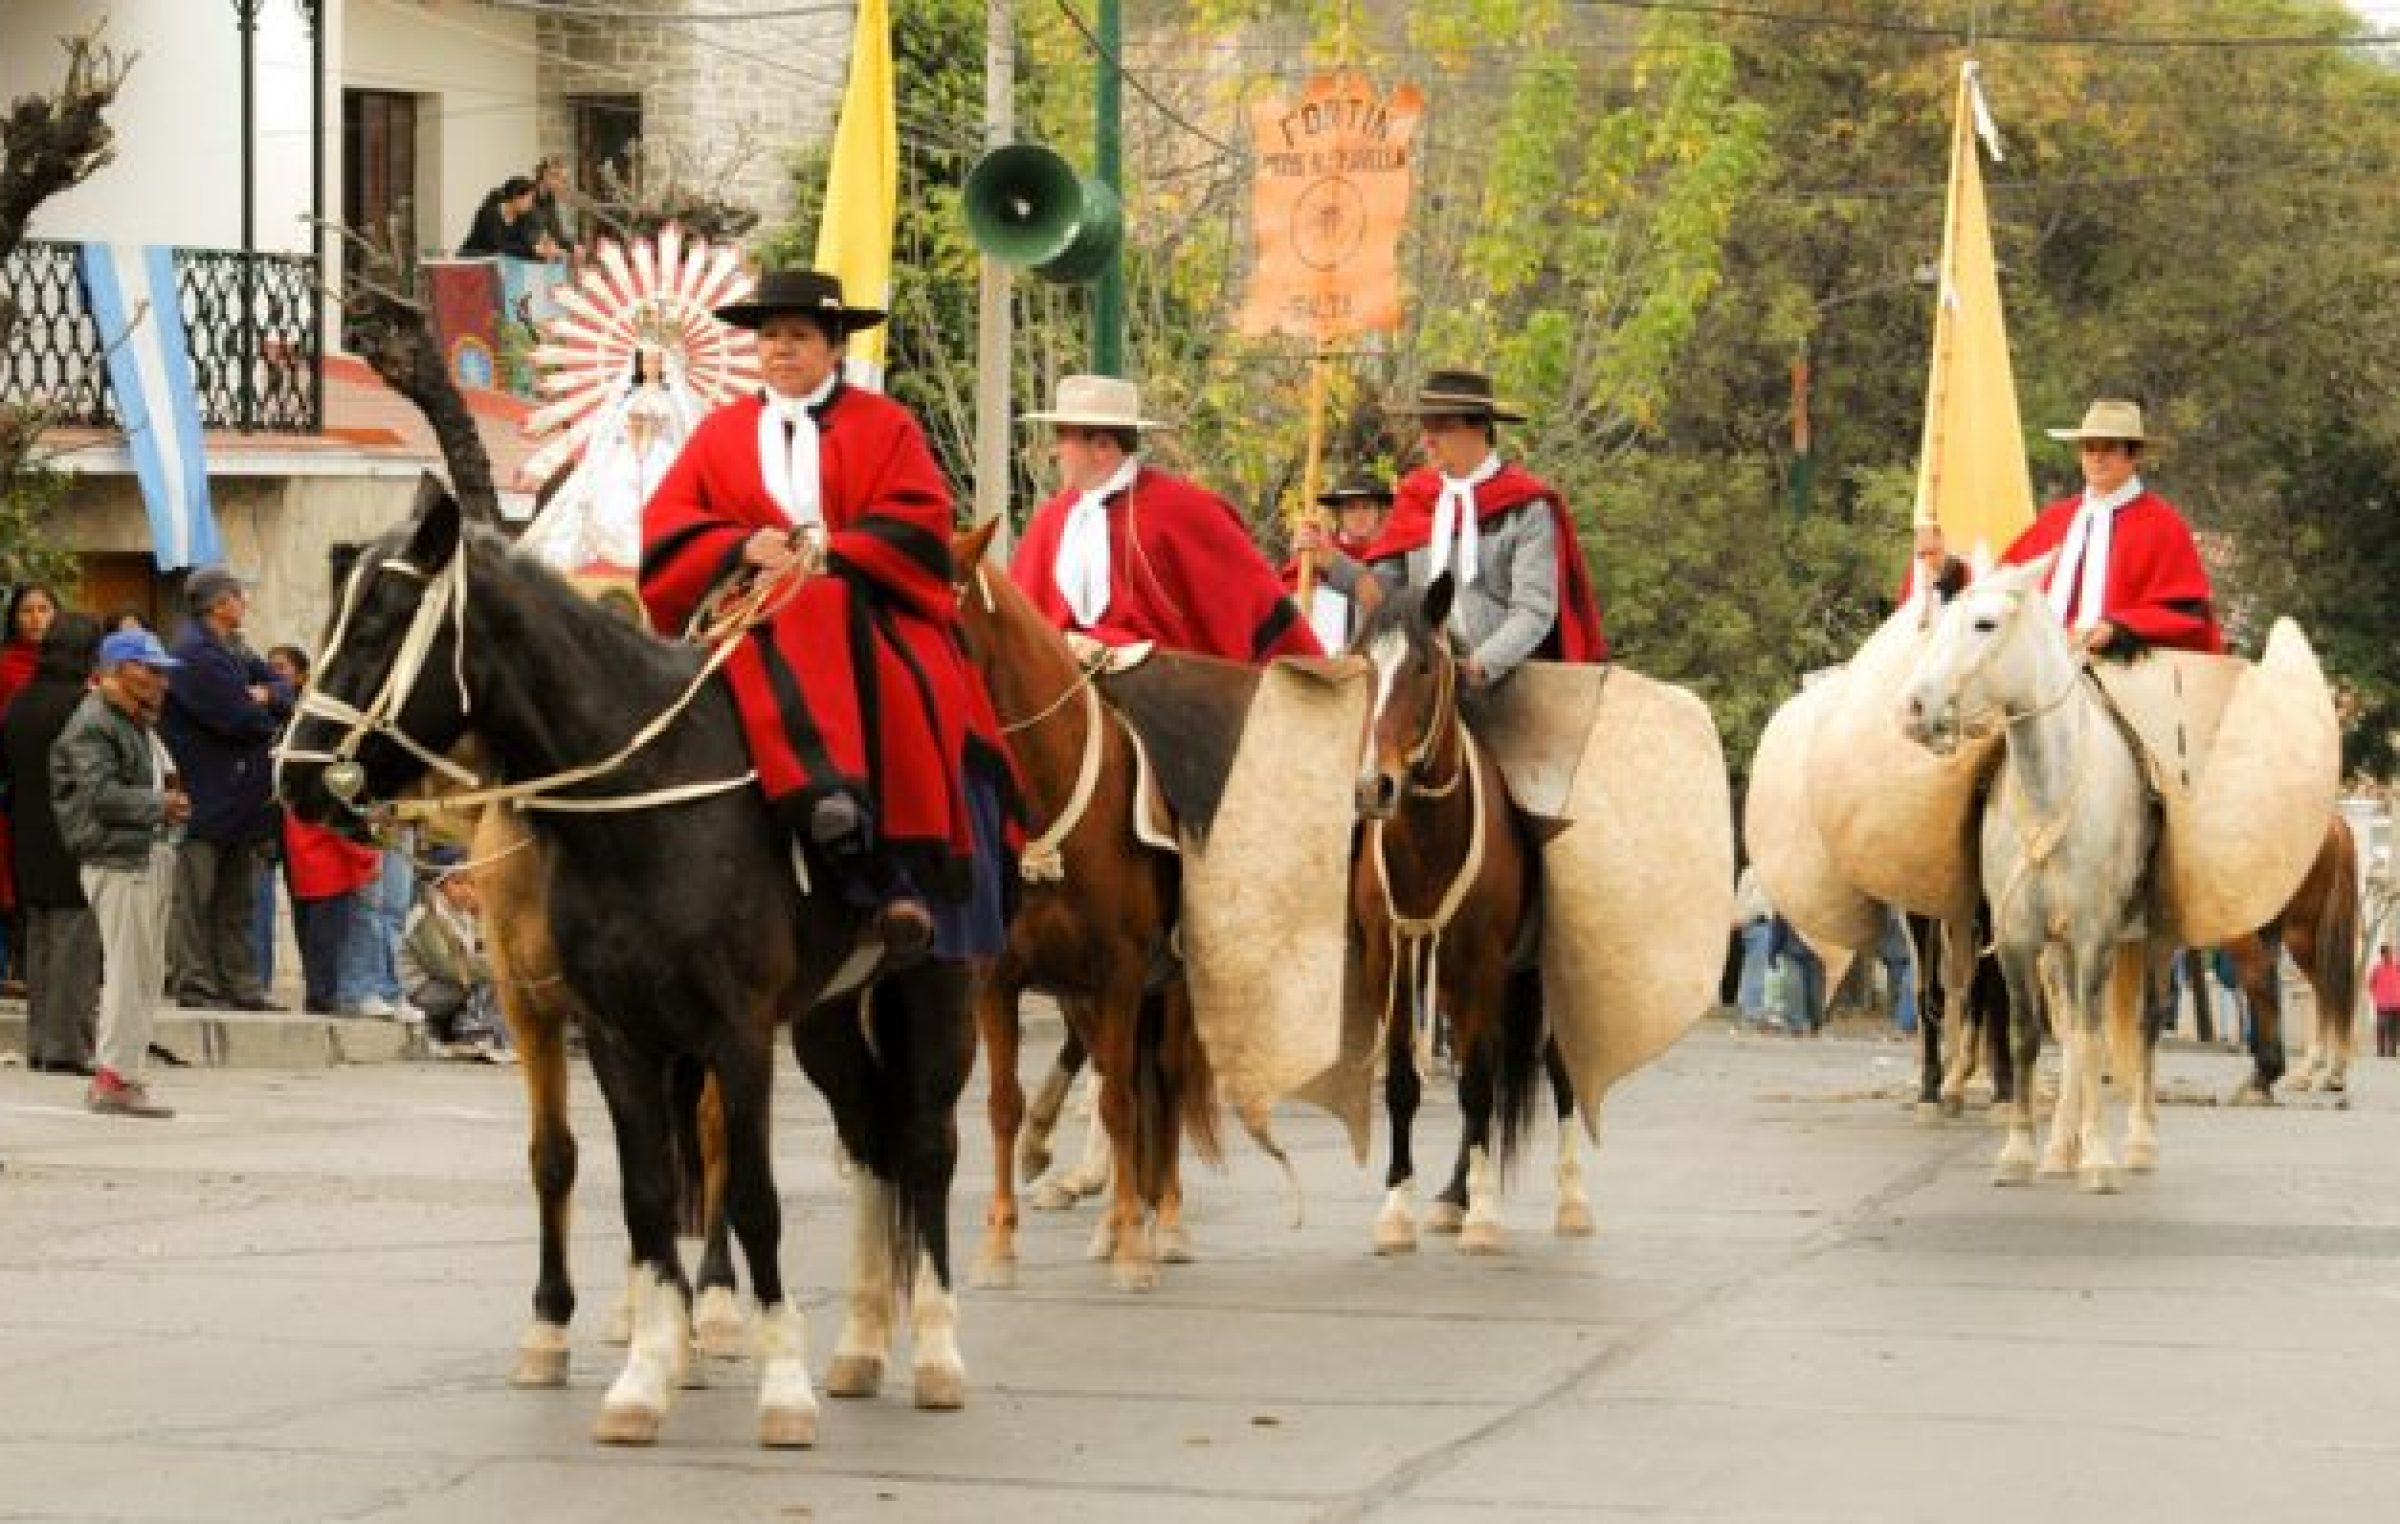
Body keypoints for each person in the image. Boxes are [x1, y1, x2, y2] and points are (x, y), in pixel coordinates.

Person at [640, 268, 1013, 965]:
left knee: (919, 685)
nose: (782, 348)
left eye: (800, 336)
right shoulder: (720, 433)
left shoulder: (887, 424)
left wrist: (831, 551)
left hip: (869, 603)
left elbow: (922, 522)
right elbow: (667, 522)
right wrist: (737, 544)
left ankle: (896, 869)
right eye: (771, 336)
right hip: (747, 610)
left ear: (835, 347)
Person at [1299, 368, 1606, 688]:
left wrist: (1479, 665)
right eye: (1425, 427)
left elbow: (1534, 610)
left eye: (1443, 427)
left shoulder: (1527, 508)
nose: (1427, 440)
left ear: (1481, 427)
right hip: (1418, 682)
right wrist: (1332, 562)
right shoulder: (1416, 498)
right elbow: (1383, 600)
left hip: (1504, 685)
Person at [1009, 374, 1322, 663]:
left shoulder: (1183, 511)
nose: (1055, 450)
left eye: (1064, 436)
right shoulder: (1051, 523)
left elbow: (1251, 599)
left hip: (1165, 702)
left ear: (1102, 447)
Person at [51, 627, 191, 1118]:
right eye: (149, 671)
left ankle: (126, 1074)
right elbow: (96, 796)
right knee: (129, 973)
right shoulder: (94, 723)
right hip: (118, 858)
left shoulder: (131, 721)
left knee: (144, 974)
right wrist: (159, 805)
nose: (161, 681)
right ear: (115, 673)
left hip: (140, 855)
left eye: (162, 672)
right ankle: (112, 1077)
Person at [161, 567, 291, 1011]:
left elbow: (286, 688)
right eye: (239, 595)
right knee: (196, 899)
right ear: (219, 603)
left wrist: (270, 695)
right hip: (205, 795)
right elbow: (240, 719)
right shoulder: (194, 653)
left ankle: (241, 984)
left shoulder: (232, 646)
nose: (244, 603)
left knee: (237, 900)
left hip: (240, 802)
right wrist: (264, 704)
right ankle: (196, 984)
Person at [2002, 398, 2223, 657]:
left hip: (2127, 673)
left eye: (2109, 448)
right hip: (2044, 670)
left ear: (2134, 456)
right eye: (2089, 448)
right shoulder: (2055, 519)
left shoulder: (2164, 525)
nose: (2097, 458)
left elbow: (2187, 612)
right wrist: (1951, 568)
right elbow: (2004, 581)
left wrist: (2119, 628)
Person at [1, 613, 103, 1074]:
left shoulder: (19, 703)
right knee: (76, 947)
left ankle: (42, 1043)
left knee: (40, 945)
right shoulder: (84, 706)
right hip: (73, 836)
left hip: (26, 836)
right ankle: (68, 1048)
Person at [518, 341, 706, 578]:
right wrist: (629, 436)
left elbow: (685, 434)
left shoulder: (676, 400)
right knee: (613, 488)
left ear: (664, 365)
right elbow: (605, 431)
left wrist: (656, 434)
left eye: (655, 361)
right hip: (624, 456)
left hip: (664, 460)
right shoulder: (625, 397)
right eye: (645, 361)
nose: (650, 366)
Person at [0, 582, 59, 991]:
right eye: (27, 611)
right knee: (18, 875)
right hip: (17, 787)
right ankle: (18, 966)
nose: (36, 618)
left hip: (64, 787)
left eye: (44, 609)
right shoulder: (5, 665)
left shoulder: (70, 666)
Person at [402, 848, 509, 1061]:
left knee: (501, 977)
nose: (469, 891)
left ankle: (495, 1037)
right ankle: (475, 1036)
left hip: (449, 986)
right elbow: (444, 967)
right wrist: (499, 967)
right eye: (458, 883)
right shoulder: (426, 916)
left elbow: (479, 953)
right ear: (438, 887)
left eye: (473, 884)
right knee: (495, 978)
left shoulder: (463, 917)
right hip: (420, 991)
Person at [1284, 470, 1394, 652]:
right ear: (1339, 514)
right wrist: (1304, 561)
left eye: (1366, 507)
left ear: (1378, 513)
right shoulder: (1314, 554)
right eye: (1351, 507)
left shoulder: (1392, 557)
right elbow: (1288, 600)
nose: (1360, 515)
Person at [458, 176, 545, 260]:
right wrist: (532, 249)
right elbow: (498, 247)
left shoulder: (524, 216)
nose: (531, 204)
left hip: (498, 262)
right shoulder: (490, 214)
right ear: (516, 197)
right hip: (474, 260)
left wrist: (540, 248)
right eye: (529, 199)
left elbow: (525, 243)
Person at [520, 156, 573, 259]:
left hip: (533, 256)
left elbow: (555, 230)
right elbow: (526, 237)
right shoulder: (528, 196)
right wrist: (548, 249)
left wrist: (573, 247)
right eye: (561, 179)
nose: (563, 185)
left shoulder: (549, 199)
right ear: (546, 175)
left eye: (564, 181)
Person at [2371, 944, 2400, 1060]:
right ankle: (2381, 1051)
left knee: (2394, 1027)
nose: (2388, 955)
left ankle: (2392, 1050)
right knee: (2381, 1027)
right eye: (2385, 953)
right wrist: (2376, 996)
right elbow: (2371, 983)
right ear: (2382, 955)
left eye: (2389, 953)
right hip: (2382, 1004)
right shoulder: (2377, 969)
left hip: (2396, 1003)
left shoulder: (2397, 967)